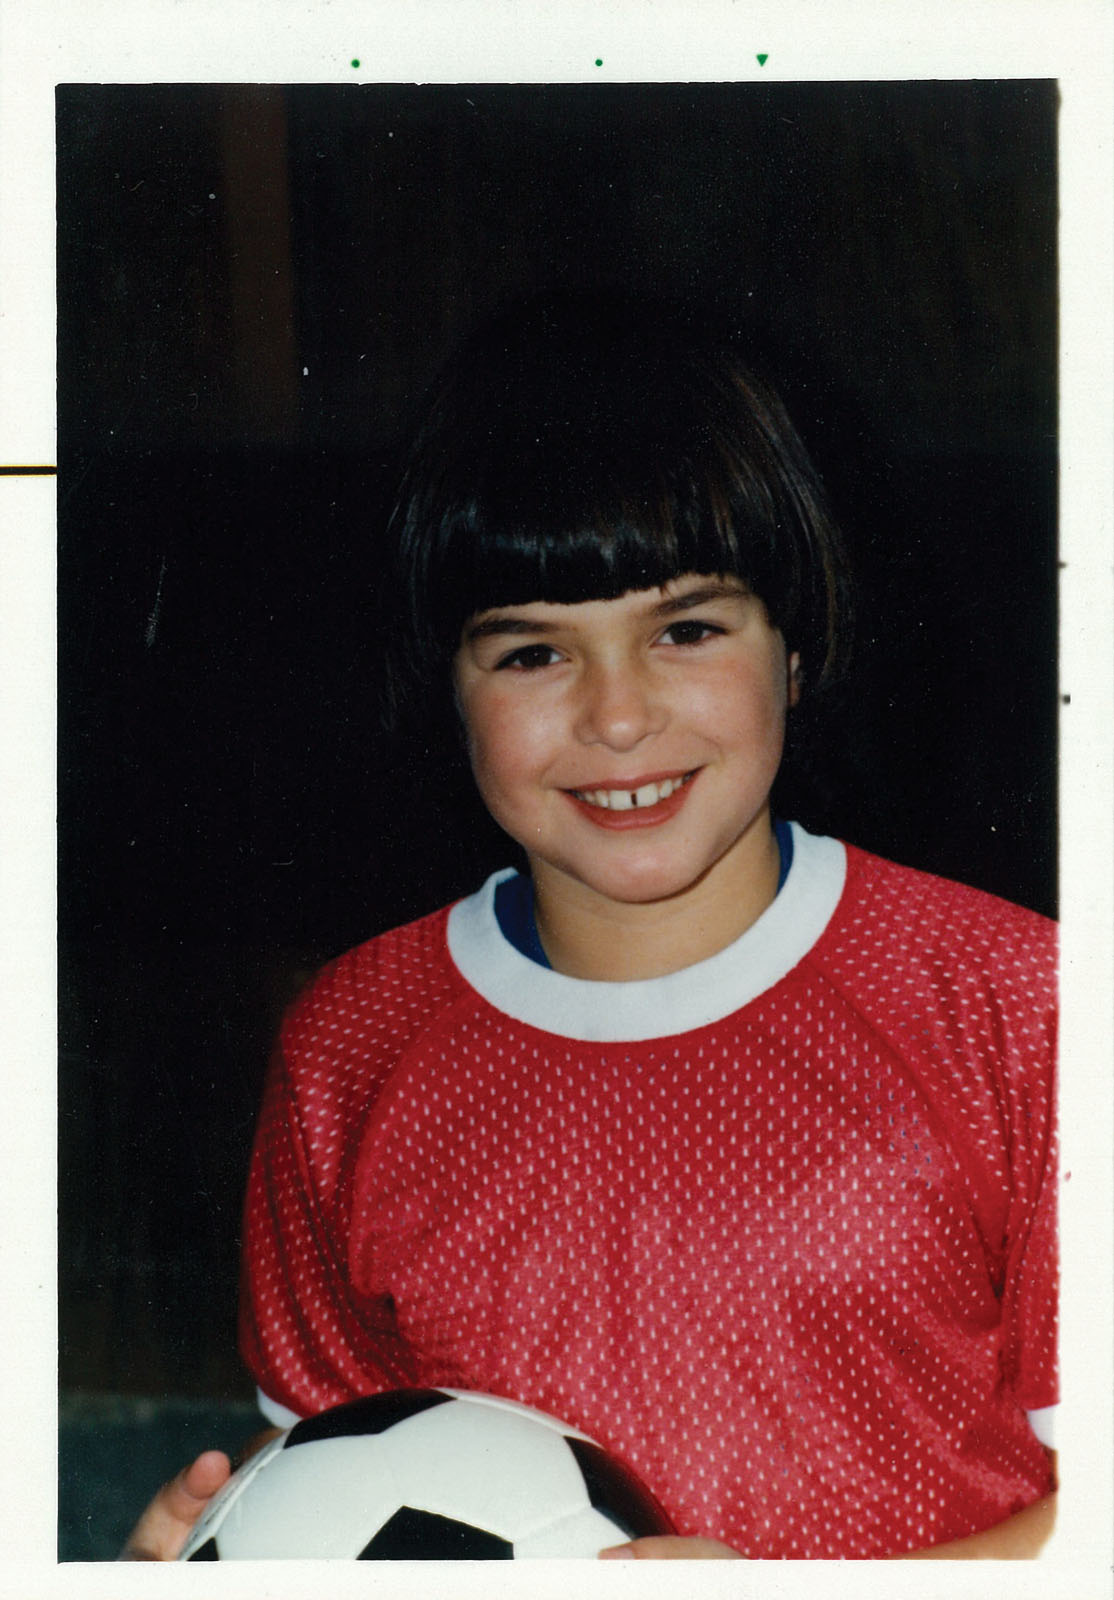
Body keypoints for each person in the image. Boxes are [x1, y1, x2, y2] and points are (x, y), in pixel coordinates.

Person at [123, 293, 1057, 1561]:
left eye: (684, 629)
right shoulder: (351, 1045)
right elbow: (328, 1497)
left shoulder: (1022, 1003)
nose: (617, 718)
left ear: (795, 642)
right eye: (529, 655)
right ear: (444, 689)